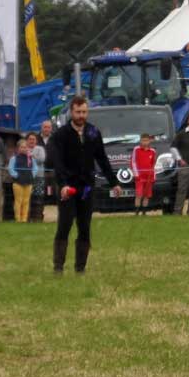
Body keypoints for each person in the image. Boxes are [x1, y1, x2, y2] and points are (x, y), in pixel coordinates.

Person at [48, 96, 123, 274]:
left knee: (85, 227)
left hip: (87, 188)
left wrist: (114, 183)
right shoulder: (61, 135)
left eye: (84, 112)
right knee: (64, 226)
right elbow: (57, 163)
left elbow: (102, 159)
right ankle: (58, 267)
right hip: (68, 188)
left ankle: (80, 268)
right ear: (71, 112)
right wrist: (63, 184)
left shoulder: (93, 132)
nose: (81, 115)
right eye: (78, 112)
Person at [7, 138, 37, 223]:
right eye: (22, 147)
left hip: (28, 182)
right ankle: (18, 219)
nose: (24, 149)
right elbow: (10, 168)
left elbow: (35, 168)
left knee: (26, 201)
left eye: (25, 147)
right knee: (18, 200)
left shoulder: (31, 158)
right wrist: (16, 175)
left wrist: (32, 175)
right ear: (18, 148)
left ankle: (24, 219)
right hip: (18, 182)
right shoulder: (14, 158)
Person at [131, 133, 157, 215]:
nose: (145, 142)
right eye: (143, 140)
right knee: (139, 194)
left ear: (149, 141)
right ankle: (136, 211)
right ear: (140, 141)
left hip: (149, 177)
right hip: (139, 177)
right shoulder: (136, 149)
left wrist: (154, 176)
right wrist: (136, 174)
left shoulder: (153, 151)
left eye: (146, 140)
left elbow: (154, 165)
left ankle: (144, 212)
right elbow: (133, 162)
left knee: (146, 195)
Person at [25, 132, 46, 221]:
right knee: (27, 197)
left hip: (38, 176)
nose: (31, 141)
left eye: (33, 139)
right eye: (30, 139)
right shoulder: (23, 148)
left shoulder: (40, 149)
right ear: (27, 140)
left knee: (37, 197)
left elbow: (41, 159)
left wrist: (31, 155)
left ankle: (37, 217)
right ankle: (27, 217)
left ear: (36, 141)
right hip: (26, 177)